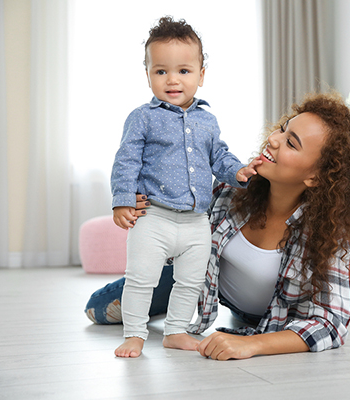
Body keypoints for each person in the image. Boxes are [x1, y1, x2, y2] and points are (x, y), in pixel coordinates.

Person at [87, 91, 350, 360]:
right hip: (201, 280)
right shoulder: (231, 189)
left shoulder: (325, 237)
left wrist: (253, 344)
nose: (272, 139)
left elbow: (330, 323)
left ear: (314, 177)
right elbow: (180, 223)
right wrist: (151, 206)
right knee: (98, 308)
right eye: (282, 129)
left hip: (267, 314)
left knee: (340, 274)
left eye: (291, 143)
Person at [110, 16, 259, 358]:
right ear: (147, 73)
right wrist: (122, 200)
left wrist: (238, 171)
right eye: (161, 71)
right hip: (154, 216)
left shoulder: (208, 120)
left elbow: (219, 156)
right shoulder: (143, 117)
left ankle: (175, 329)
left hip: (196, 221)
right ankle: (134, 333)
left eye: (184, 71)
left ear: (201, 74)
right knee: (141, 279)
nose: (172, 80)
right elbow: (126, 160)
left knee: (191, 280)